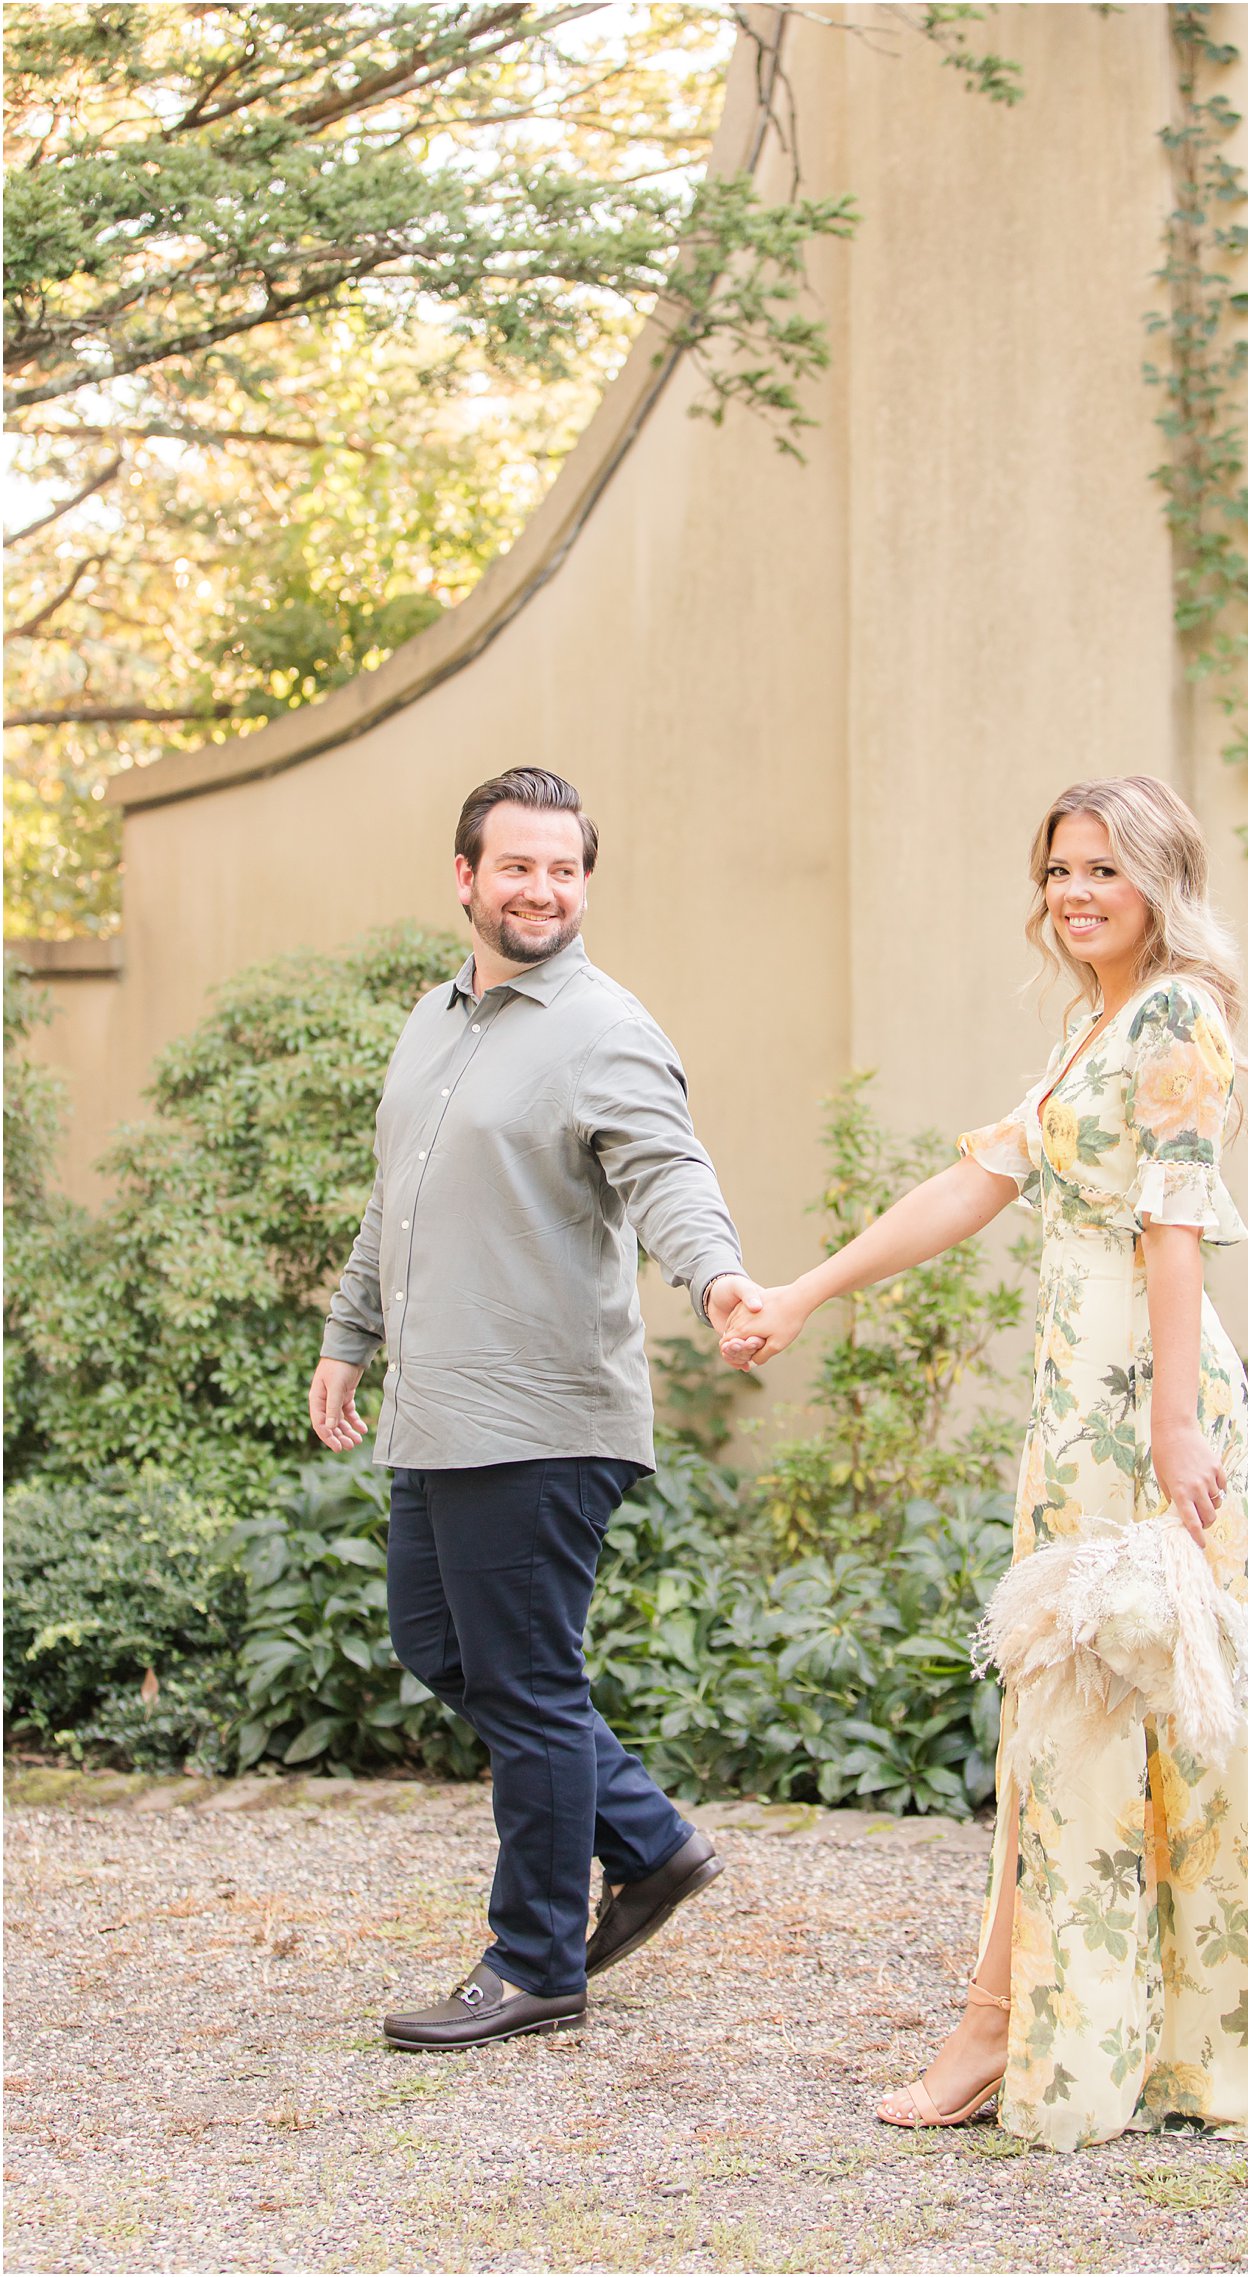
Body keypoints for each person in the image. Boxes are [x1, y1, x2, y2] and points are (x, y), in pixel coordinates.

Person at [721, 775, 1248, 2150]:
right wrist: (802, 1290)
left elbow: (1174, 1226)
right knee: (1079, 1707)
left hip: (1148, 1405)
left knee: (1144, 1702)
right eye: (1060, 870)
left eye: (1105, 872)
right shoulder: (1096, 1030)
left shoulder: (1177, 1016)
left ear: (1162, 884)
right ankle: (1045, 2019)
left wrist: (1175, 1423)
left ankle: (1003, 2028)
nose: (1076, 893)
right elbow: (973, 1186)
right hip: (1080, 1404)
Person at [310, 767, 764, 2051]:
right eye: (517, 867)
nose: (541, 890)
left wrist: (718, 1277)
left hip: (544, 1414)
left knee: (525, 1677)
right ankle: (649, 1843)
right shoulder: (434, 1020)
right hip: (441, 1406)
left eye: (563, 869)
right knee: (438, 1645)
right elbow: (394, 1198)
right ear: (466, 879)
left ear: (584, 882)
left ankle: (534, 1961)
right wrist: (350, 1335)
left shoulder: (606, 1030)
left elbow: (670, 1174)